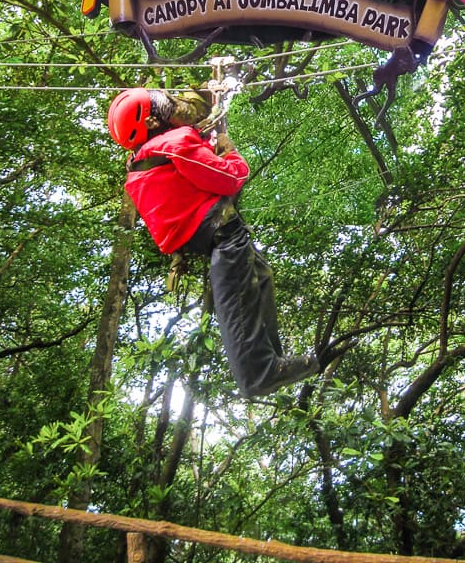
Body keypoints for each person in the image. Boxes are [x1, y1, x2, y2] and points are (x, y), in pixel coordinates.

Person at [107, 87, 319, 397]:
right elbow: (231, 178)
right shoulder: (174, 144)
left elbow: (190, 169)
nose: (174, 110)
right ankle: (259, 374)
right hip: (221, 234)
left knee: (260, 278)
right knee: (237, 299)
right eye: (166, 107)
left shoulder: (144, 158)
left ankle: (273, 359)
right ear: (152, 121)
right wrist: (230, 151)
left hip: (207, 234)